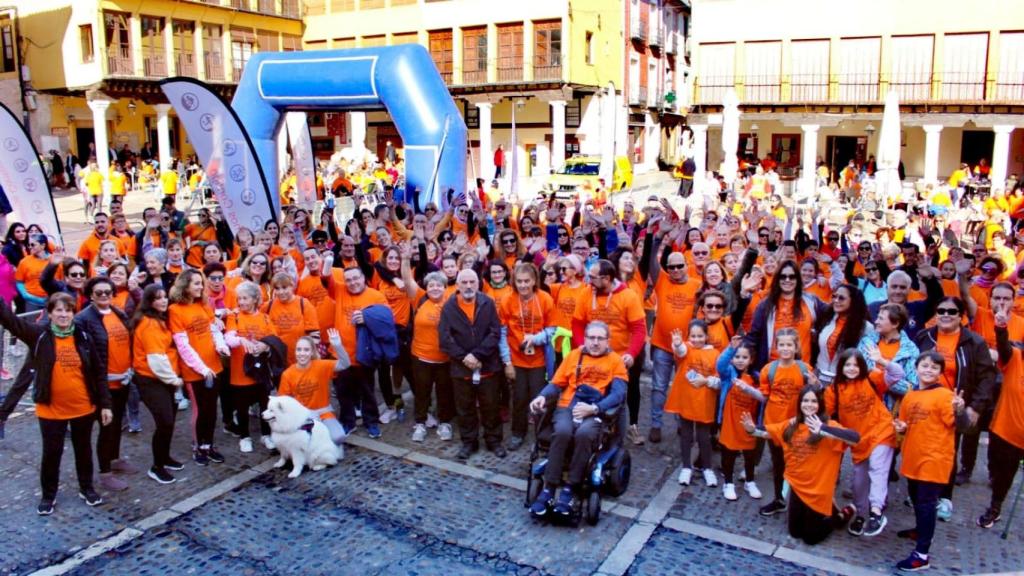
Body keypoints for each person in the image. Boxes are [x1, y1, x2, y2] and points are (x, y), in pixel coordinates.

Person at [0, 293, 112, 515]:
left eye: (68, 310)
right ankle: (48, 496)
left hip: (83, 407)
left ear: (73, 313)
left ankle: (86, 488)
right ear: (49, 313)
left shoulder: (83, 336)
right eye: (59, 310)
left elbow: (99, 372)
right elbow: (10, 320)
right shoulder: (38, 335)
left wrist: (105, 404)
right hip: (51, 411)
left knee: (83, 450)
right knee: (51, 454)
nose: (63, 314)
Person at [527, 321, 626, 518]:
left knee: (584, 434)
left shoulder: (616, 361)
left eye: (600, 338)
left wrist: (595, 409)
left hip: (595, 410)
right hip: (567, 406)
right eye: (591, 338)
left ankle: (570, 488)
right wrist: (542, 396)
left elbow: (618, 394)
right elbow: (556, 383)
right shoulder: (574, 356)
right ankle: (549, 488)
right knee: (562, 431)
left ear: (608, 341)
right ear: (585, 339)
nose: (595, 342)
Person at [741, 385, 861, 545]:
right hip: (798, 487)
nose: (809, 404)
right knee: (795, 532)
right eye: (805, 400)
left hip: (819, 490)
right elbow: (768, 431)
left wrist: (823, 429)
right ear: (799, 403)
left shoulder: (829, 425)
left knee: (810, 538)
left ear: (820, 404)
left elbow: (855, 437)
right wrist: (751, 429)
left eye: (813, 401)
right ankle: (831, 511)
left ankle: (841, 516)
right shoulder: (792, 425)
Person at [914, 296, 998, 521]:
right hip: (924, 403)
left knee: (946, 453)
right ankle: (924, 492)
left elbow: (986, 377)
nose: (945, 315)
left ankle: (944, 498)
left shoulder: (974, 342)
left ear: (961, 316)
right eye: (941, 310)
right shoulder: (925, 336)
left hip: (954, 406)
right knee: (923, 449)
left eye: (952, 312)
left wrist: (975, 407)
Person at [892, 352, 967, 571]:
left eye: (934, 367)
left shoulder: (944, 396)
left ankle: (922, 554)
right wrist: (902, 428)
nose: (928, 370)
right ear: (916, 368)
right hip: (914, 456)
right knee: (916, 499)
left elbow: (960, 425)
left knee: (926, 503)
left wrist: (959, 410)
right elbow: (905, 422)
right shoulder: (910, 395)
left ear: (940, 373)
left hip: (934, 458)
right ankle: (921, 530)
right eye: (925, 365)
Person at [824, 349, 899, 537]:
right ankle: (861, 513)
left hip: (881, 432)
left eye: (855, 365)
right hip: (858, 442)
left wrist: (882, 360)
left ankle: (876, 512)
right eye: (847, 365)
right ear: (841, 367)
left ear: (862, 366)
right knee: (859, 482)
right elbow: (825, 414)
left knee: (878, 468)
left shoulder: (872, 378)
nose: (851, 368)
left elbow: (898, 374)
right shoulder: (835, 389)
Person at [76, 277, 135, 492]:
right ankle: (104, 473)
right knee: (106, 426)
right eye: (99, 292)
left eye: (108, 292)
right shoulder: (83, 319)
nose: (104, 296)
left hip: (122, 380)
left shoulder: (118, 312)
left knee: (117, 422)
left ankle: (114, 458)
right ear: (90, 295)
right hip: (104, 384)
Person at [439, 269, 505, 460]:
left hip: (487, 366)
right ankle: (469, 442)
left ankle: (494, 441)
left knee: (491, 406)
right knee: (465, 408)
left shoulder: (487, 303)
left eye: (472, 282)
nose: (468, 286)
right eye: (464, 282)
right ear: (457, 285)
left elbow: (495, 333)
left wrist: (477, 355)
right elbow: (445, 339)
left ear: (478, 284)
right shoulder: (448, 307)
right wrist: (464, 357)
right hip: (461, 368)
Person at [169, 269, 229, 465]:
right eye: (196, 283)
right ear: (185, 285)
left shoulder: (204, 304)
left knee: (212, 409)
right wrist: (202, 369)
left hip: (214, 366)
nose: (200, 287)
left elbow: (213, 330)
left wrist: (221, 346)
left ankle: (208, 445)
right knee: (199, 410)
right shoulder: (175, 310)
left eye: (200, 283)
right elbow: (183, 346)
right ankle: (197, 446)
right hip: (195, 371)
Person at [130, 284, 185, 484]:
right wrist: (175, 380)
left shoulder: (158, 319)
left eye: (164, 297)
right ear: (149, 301)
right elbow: (156, 359)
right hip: (152, 380)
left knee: (168, 422)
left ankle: (164, 457)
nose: (163, 301)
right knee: (165, 422)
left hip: (162, 379)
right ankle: (157, 466)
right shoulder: (150, 324)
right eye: (158, 298)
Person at [976, 308, 1024, 529]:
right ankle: (996, 504)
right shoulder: (1016, 358)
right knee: (998, 471)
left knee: (1008, 473)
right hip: (1005, 429)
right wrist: (1001, 327)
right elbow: (1004, 348)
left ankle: (995, 508)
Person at [500, 262, 555, 451]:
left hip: (539, 359)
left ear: (534, 281)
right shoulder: (508, 300)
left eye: (527, 281)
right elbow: (502, 332)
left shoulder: (545, 298)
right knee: (519, 398)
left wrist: (536, 338)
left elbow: (552, 329)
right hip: (516, 358)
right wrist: (507, 361)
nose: (523, 285)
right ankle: (517, 433)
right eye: (519, 281)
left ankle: (542, 435)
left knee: (539, 398)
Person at [224, 281, 278, 453]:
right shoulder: (235, 317)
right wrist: (241, 340)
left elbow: (274, 340)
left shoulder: (264, 318)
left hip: (261, 371)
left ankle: (266, 434)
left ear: (255, 299)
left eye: (245, 298)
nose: (241, 302)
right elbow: (229, 339)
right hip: (240, 371)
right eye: (239, 299)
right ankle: (244, 437)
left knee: (264, 404)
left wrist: (264, 346)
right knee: (241, 407)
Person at [666, 320, 721, 487]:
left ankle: (707, 468)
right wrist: (677, 343)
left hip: (704, 401)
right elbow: (681, 352)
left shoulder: (715, 354)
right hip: (686, 399)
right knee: (686, 434)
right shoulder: (687, 347)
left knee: (704, 436)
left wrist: (707, 381)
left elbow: (718, 379)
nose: (696, 339)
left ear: (706, 336)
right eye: (693, 336)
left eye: (700, 336)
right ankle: (686, 467)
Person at [278, 331, 351, 445]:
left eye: (306, 350)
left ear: (312, 352)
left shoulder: (321, 365)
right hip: (303, 416)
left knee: (338, 437)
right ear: (295, 351)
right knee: (305, 442)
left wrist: (337, 345)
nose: (302, 353)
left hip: (323, 413)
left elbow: (345, 364)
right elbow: (282, 403)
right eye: (299, 350)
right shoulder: (287, 374)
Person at [716, 335, 764, 501]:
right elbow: (720, 365)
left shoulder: (757, 377)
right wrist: (730, 349)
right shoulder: (729, 373)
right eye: (737, 356)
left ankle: (749, 481)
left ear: (751, 360)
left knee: (750, 453)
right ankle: (728, 482)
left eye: (744, 357)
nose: (740, 360)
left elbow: (762, 397)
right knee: (728, 452)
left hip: (748, 423)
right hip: (730, 421)